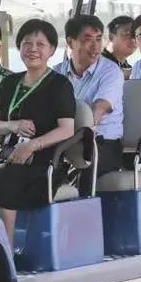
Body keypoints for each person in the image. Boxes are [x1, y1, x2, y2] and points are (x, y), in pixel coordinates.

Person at [0, 19, 76, 245]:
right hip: (7, 156)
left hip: (44, 162)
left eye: (40, 44)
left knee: (8, 182)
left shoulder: (59, 85)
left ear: (52, 50)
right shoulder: (9, 83)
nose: (33, 49)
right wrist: (12, 126)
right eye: (27, 43)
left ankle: (6, 253)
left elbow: (67, 129)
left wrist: (32, 146)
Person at [53, 14, 124, 186]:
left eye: (98, 39)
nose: (95, 46)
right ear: (70, 43)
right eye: (88, 39)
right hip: (64, 140)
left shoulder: (111, 71)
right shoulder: (57, 73)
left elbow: (97, 110)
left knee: (79, 178)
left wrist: (66, 136)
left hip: (101, 144)